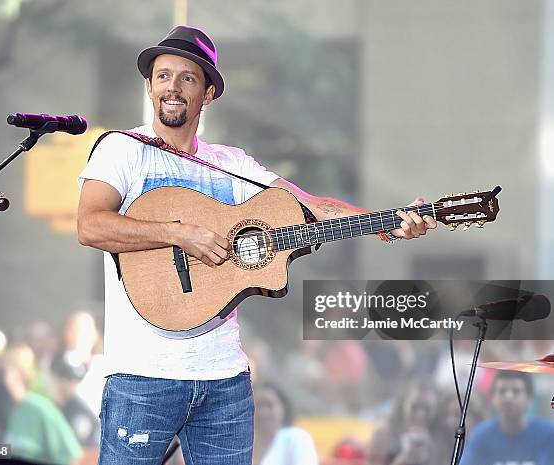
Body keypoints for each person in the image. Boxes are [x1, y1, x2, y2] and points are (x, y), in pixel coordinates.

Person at [77, 25, 436, 465]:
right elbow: (91, 225)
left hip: (225, 377)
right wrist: (177, 233)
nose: (173, 87)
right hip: (142, 374)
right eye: (164, 75)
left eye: (187, 78)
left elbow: (311, 205)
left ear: (208, 93)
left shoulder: (232, 164)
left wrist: (386, 224)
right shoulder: (123, 150)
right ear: (150, 85)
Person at [459, 370, 554, 465]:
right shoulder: (480, 436)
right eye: (502, 391)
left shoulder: (549, 435)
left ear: (530, 399)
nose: (508, 397)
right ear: (492, 399)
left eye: (516, 391)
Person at [252, 384, 319, 465]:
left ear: (283, 408)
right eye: (258, 406)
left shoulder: (297, 438)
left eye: (269, 405)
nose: (264, 412)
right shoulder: (241, 443)